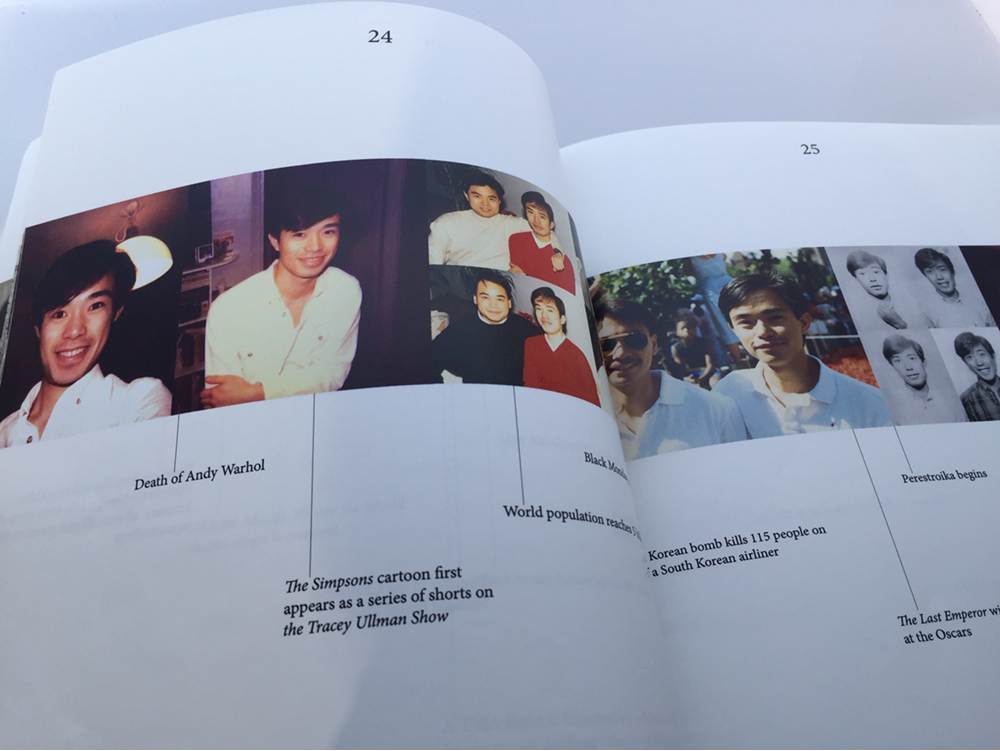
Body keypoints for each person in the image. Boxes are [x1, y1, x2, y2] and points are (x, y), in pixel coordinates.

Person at [201, 181, 361, 408]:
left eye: (327, 232)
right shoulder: (229, 309)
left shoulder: (344, 291)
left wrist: (258, 393)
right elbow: (223, 398)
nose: (315, 247)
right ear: (275, 241)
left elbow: (332, 374)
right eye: (299, 234)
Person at [0, 240, 171, 447]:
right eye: (59, 313)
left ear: (115, 315)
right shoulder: (4, 432)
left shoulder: (138, 401)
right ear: (38, 328)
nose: (75, 331)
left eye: (95, 306)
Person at [712, 272, 892, 437]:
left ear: (804, 322)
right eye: (746, 322)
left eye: (774, 318)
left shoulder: (871, 405)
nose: (762, 332)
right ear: (733, 329)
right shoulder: (728, 394)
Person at [596, 298, 743, 459]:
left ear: (654, 344)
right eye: (606, 345)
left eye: (634, 340)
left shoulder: (715, 409)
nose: (620, 354)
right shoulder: (586, 420)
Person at [432, 270, 539, 385]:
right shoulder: (459, 331)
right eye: (485, 298)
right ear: (475, 299)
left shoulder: (525, 329)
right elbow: (428, 360)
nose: (493, 305)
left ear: (509, 303)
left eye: (499, 299)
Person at [427, 171, 527, 269]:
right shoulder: (447, 223)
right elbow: (432, 261)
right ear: (467, 195)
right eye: (477, 196)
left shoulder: (514, 224)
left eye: (491, 199)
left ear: (499, 201)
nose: (485, 203)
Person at [522, 286, 599, 406]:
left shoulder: (576, 355)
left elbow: (592, 400)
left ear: (562, 319)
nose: (544, 315)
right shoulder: (531, 344)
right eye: (539, 309)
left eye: (550, 310)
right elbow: (530, 385)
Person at [881, 334, 965, 424]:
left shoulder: (951, 400)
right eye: (898, 361)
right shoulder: (891, 407)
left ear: (924, 362)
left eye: (912, 358)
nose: (908, 367)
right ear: (893, 367)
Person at [507, 191, 574, 294]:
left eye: (542, 216)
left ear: (551, 225)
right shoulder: (516, 240)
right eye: (530, 212)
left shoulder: (562, 261)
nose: (536, 220)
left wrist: (525, 276)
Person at [913, 247, 995, 328]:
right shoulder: (927, 313)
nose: (939, 277)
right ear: (926, 277)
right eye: (930, 272)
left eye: (942, 270)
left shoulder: (980, 306)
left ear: (952, 272)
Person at [845, 249, 911, 329]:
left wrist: (901, 324)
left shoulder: (909, 303)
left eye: (876, 272)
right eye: (862, 274)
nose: (872, 279)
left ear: (886, 275)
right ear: (856, 279)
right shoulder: (859, 315)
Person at [953, 331, 1000, 421]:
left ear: (992, 356)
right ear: (967, 364)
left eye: (982, 354)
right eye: (970, 357)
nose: (979, 363)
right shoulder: (966, 400)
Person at [670, 312, 721, 389]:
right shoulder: (676, 348)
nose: (686, 330)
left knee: (715, 382)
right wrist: (686, 378)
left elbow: (710, 365)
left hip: (708, 371)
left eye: (690, 327)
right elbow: (680, 369)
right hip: (691, 373)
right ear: (677, 332)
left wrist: (701, 379)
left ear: (695, 329)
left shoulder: (706, 343)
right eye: (683, 328)